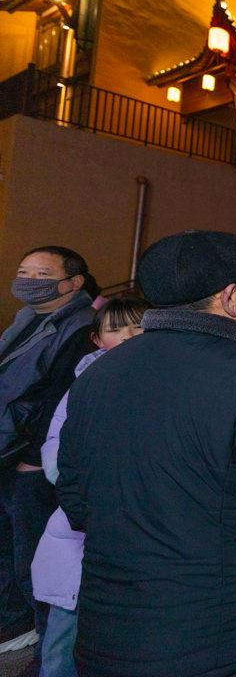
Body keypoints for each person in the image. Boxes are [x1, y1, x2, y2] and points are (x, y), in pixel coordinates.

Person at [57, 230, 236, 677]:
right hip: (213, 638)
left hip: (105, 633)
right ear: (230, 298)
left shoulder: (98, 375)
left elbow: (75, 500)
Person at [32, 296, 150, 677]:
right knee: (63, 640)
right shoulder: (83, 385)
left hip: (138, 527)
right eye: (115, 329)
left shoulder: (167, 379)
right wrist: (89, 481)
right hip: (81, 526)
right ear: (97, 340)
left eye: (136, 325)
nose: (127, 335)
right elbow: (56, 448)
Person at [0, 246, 94, 655]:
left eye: (41, 274)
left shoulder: (80, 327)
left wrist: (35, 457)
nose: (28, 281)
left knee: (30, 550)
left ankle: (38, 636)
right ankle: (13, 622)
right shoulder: (27, 319)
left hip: (30, 457)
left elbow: (58, 396)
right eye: (24, 272)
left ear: (73, 282)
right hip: (9, 448)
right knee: (8, 544)